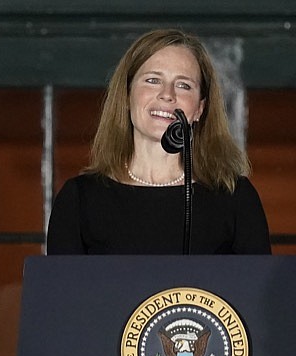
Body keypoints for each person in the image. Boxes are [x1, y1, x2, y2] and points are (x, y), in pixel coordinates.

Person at [46, 29, 271, 254]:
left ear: (200, 109)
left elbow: (255, 287)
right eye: (153, 80)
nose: (167, 95)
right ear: (126, 96)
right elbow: (61, 288)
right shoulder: (79, 200)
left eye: (183, 85)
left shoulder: (235, 198)